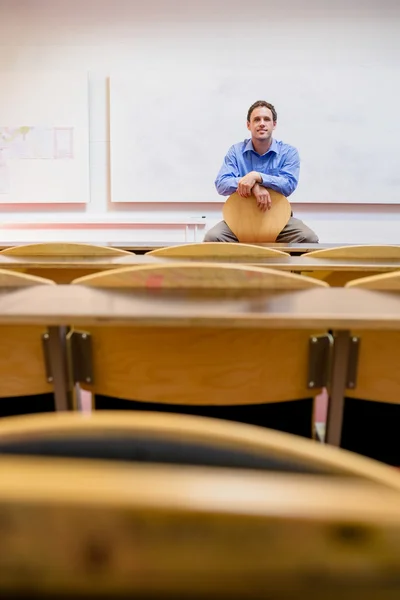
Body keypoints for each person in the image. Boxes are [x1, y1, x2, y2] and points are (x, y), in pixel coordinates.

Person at [204, 100, 318, 243]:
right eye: (257, 119)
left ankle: (288, 267)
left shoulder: (289, 152)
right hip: (239, 217)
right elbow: (221, 184)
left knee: (308, 238)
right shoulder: (236, 151)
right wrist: (254, 186)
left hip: (279, 219)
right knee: (212, 238)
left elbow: (288, 185)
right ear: (248, 125)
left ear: (274, 124)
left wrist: (257, 176)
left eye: (267, 119)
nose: (262, 123)